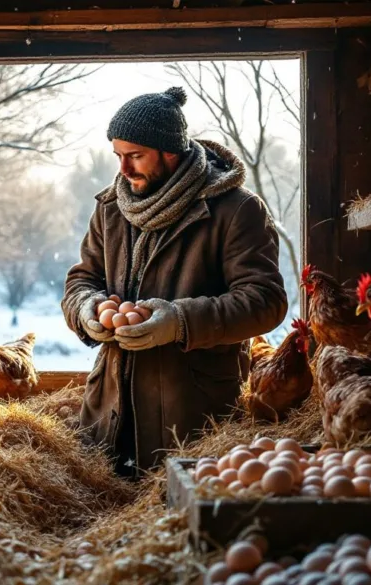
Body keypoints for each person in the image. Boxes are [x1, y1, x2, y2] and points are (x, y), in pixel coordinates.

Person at [61, 86, 287, 478]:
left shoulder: (236, 210)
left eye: (135, 156)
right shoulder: (111, 209)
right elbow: (82, 280)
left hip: (193, 421)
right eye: (118, 156)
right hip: (108, 416)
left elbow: (265, 301)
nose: (124, 170)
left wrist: (178, 321)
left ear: (170, 152)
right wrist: (88, 310)